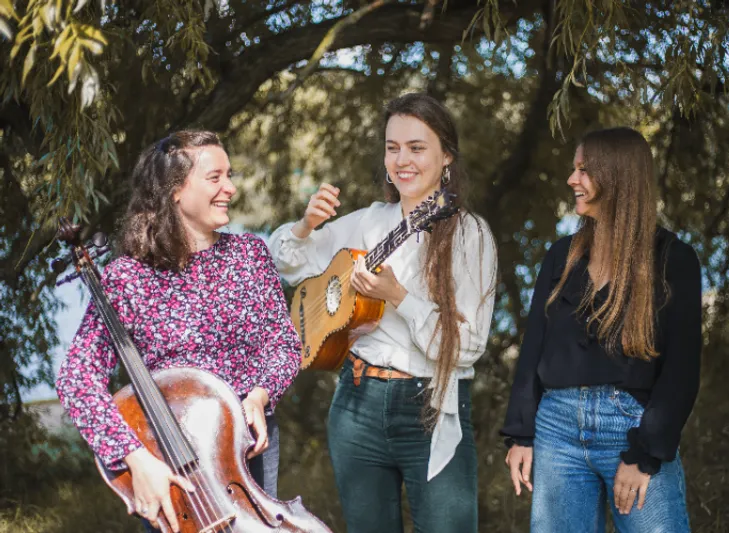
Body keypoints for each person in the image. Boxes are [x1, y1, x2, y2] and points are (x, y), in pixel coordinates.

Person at [267, 93, 497, 533]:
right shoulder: (368, 222)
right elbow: (287, 262)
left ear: (446, 155)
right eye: (392, 148)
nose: (402, 160)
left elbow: (467, 347)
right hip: (356, 404)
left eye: (416, 147)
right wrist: (305, 226)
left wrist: (399, 297)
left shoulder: (469, 234)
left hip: (430, 405)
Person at [56, 130, 302, 532]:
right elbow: (76, 378)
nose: (230, 187)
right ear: (174, 191)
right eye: (215, 177)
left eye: (230, 174)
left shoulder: (249, 256)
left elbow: (284, 344)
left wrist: (261, 393)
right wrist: (135, 459)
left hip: (248, 446)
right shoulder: (129, 277)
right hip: (172, 457)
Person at [501, 127, 702, 532]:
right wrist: (521, 435)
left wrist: (643, 455)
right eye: (574, 169)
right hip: (555, 430)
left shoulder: (673, 260)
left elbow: (682, 371)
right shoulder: (561, 255)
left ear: (617, 177)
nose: (572, 179)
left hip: (630, 430)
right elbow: (533, 351)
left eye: (584, 170)